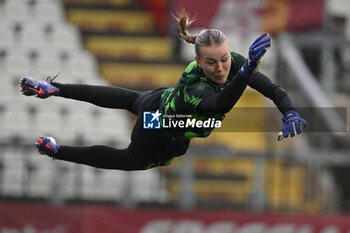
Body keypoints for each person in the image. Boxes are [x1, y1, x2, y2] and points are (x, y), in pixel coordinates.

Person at [20, 11, 306, 171]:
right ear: (197, 62)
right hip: (160, 131)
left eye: (224, 60)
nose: (220, 68)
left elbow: (273, 89)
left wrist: (289, 110)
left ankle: (53, 89)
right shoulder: (195, 87)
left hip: (156, 102)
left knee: (131, 98)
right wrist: (245, 72)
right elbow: (218, 105)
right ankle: (57, 151)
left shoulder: (233, 64)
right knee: (127, 159)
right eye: (211, 63)